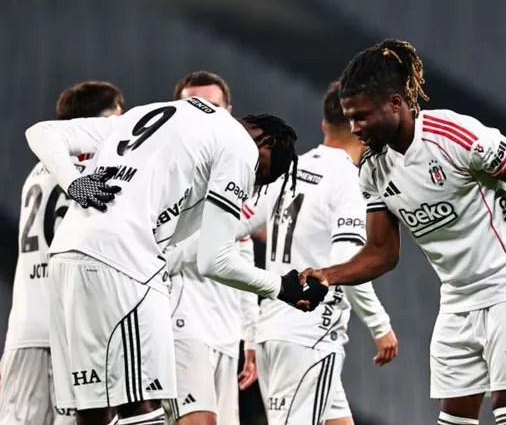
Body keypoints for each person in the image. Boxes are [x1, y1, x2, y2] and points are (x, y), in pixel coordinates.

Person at [303, 39, 506, 425]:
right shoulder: (373, 169)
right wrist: (327, 275)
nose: (355, 128)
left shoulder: (455, 136)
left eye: (362, 116)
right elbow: (382, 252)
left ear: (395, 103)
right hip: (457, 298)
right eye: (350, 118)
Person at [24, 95, 326, 425]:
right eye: (260, 173)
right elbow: (215, 260)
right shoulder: (241, 146)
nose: (251, 182)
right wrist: (280, 287)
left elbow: (42, 132)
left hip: (67, 256)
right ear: (266, 142)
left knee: (93, 409)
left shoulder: (145, 113)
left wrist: (73, 182)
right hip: (126, 264)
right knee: (142, 404)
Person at [236, 81, 398, 425]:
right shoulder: (349, 181)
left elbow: (236, 224)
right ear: (363, 129)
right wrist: (380, 326)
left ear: (324, 123)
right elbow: (347, 267)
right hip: (310, 336)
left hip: (274, 330)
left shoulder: (290, 169)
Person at [0, 80, 124, 425]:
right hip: (74, 325)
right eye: (118, 113)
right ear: (102, 119)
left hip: (25, 326)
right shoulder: (100, 169)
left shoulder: (39, 170)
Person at [166, 71, 260, 425]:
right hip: (182, 325)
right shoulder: (167, 174)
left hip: (225, 333)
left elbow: (244, 259)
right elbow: (159, 259)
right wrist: (216, 233)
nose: (205, 115)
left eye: (214, 107)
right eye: (195, 106)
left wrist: (251, 337)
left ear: (229, 112)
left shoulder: (235, 176)